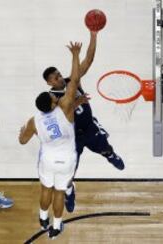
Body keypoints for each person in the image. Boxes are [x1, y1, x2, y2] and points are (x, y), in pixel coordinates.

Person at [42, 31, 125, 213]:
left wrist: (93, 35)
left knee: (106, 148)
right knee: (68, 174)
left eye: (59, 74)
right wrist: (75, 103)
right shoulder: (51, 98)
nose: (60, 78)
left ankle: (110, 155)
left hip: (89, 127)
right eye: (55, 78)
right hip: (71, 138)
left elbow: (88, 60)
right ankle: (70, 190)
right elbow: (61, 115)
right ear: (50, 83)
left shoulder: (73, 81)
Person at [19, 41, 86, 239]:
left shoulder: (34, 120)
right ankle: (56, 227)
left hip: (47, 160)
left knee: (45, 190)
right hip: (66, 160)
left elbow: (22, 141)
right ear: (51, 102)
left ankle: (42, 218)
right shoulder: (64, 108)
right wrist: (75, 54)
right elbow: (74, 81)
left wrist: (23, 132)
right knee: (59, 193)